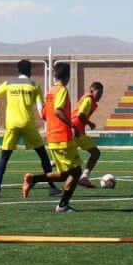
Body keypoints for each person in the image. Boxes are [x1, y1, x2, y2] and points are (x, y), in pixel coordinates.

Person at [0, 59, 61, 198]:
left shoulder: (9, 83)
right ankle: (52, 187)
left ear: (18, 70)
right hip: (28, 124)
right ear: (30, 71)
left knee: (4, 157)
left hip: (12, 124)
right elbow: (41, 108)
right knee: (42, 155)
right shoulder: (34, 85)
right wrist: (48, 120)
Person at [22, 62, 83, 213]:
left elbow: (44, 114)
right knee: (76, 173)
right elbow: (58, 111)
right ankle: (62, 205)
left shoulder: (50, 91)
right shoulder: (62, 90)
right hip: (63, 137)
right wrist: (72, 125)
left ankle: (34, 179)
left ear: (55, 75)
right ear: (68, 76)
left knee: (63, 175)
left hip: (53, 137)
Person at [71, 82, 104, 188]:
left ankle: (84, 177)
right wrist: (90, 123)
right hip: (74, 131)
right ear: (91, 91)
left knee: (95, 153)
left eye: (101, 93)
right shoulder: (88, 99)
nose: (100, 95)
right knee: (68, 159)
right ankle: (45, 175)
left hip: (80, 132)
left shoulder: (92, 101)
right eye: (98, 93)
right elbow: (80, 115)